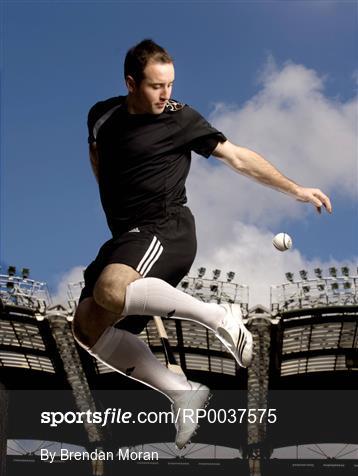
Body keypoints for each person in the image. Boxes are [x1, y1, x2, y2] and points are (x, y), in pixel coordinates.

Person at [73, 39, 332, 449]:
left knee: (110, 290)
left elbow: (239, 157)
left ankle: (218, 315)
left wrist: (296, 189)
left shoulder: (182, 119)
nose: (166, 94)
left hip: (166, 227)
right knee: (87, 327)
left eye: (171, 84)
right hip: (127, 237)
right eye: (157, 86)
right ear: (130, 83)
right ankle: (179, 392)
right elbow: (96, 153)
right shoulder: (101, 116)